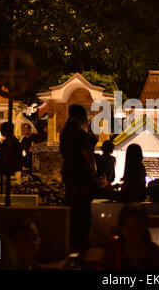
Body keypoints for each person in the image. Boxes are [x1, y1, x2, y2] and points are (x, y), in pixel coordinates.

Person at [60, 104, 97, 253]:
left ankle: (70, 237)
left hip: (67, 172)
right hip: (80, 174)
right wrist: (94, 168)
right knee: (81, 206)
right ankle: (81, 239)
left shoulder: (64, 132)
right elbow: (87, 156)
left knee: (71, 202)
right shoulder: (80, 134)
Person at [102, 204, 159, 270]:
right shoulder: (112, 250)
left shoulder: (156, 253)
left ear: (144, 227)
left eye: (137, 226)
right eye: (127, 226)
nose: (132, 231)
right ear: (121, 228)